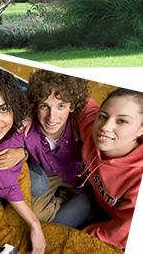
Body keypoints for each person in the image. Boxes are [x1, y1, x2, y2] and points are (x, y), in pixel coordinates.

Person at [0, 70, 91, 252]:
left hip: (78, 175)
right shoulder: (23, 127)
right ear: (35, 106)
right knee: (39, 216)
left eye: (61, 107)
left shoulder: (81, 125)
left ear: (72, 107)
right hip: (48, 176)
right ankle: (70, 204)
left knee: (89, 203)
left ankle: (79, 202)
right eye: (45, 106)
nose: (51, 118)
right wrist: (35, 225)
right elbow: (1, 171)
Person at [56, 88, 143, 249]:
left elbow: (117, 233)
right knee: (52, 231)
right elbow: (72, 91)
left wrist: (79, 240)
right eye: (103, 116)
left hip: (124, 227)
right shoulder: (92, 125)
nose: (105, 127)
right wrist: (72, 115)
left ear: (141, 129)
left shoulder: (138, 179)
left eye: (122, 121)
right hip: (94, 197)